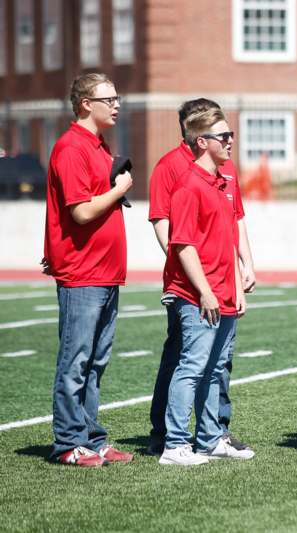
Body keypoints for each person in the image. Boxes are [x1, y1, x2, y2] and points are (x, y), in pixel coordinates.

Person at [146, 99, 255, 456]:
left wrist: (238, 284)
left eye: (231, 134)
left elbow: (230, 238)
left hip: (224, 290)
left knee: (214, 367)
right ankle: (175, 443)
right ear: (202, 141)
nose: (230, 141)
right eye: (223, 136)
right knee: (190, 366)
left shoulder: (221, 182)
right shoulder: (188, 184)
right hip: (197, 294)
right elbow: (183, 244)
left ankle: (210, 439)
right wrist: (205, 291)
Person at [43, 72, 134, 466]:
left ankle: (91, 438)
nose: (117, 104)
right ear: (86, 104)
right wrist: (118, 190)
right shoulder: (71, 147)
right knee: (76, 362)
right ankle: (68, 443)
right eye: (109, 98)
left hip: (106, 271)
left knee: (95, 363)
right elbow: (80, 212)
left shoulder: (97, 145)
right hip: (83, 272)